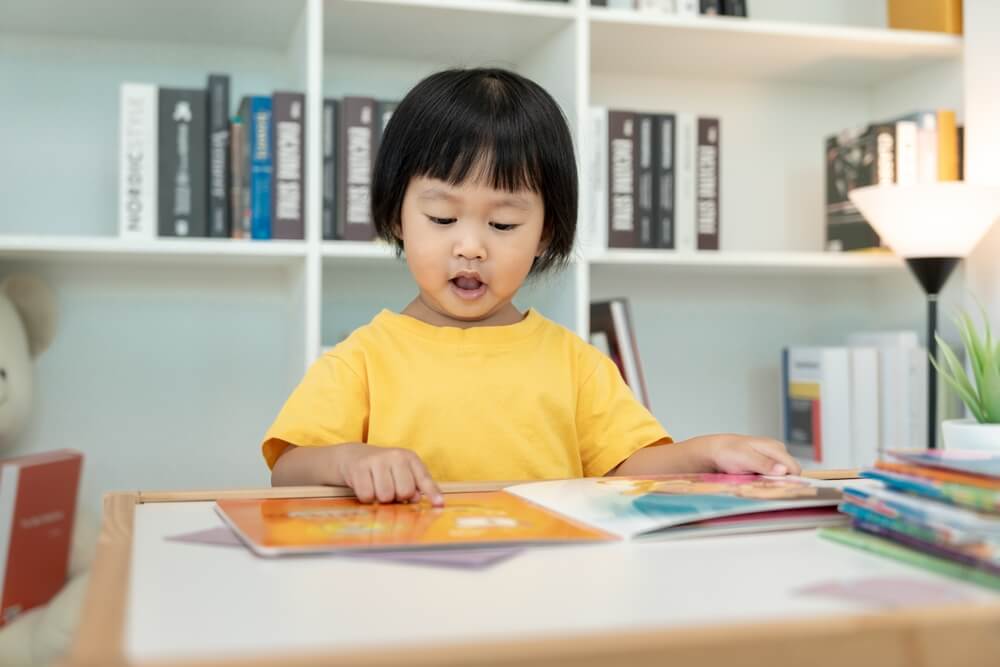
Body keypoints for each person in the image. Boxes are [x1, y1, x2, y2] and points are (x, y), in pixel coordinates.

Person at [263, 67, 800, 506]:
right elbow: (288, 470)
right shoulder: (362, 359)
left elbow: (627, 468)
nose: (471, 247)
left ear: (545, 233)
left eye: (503, 225)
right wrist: (350, 461)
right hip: (406, 586)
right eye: (442, 218)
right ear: (398, 218)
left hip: (550, 587)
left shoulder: (575, 362)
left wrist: (707, 452)